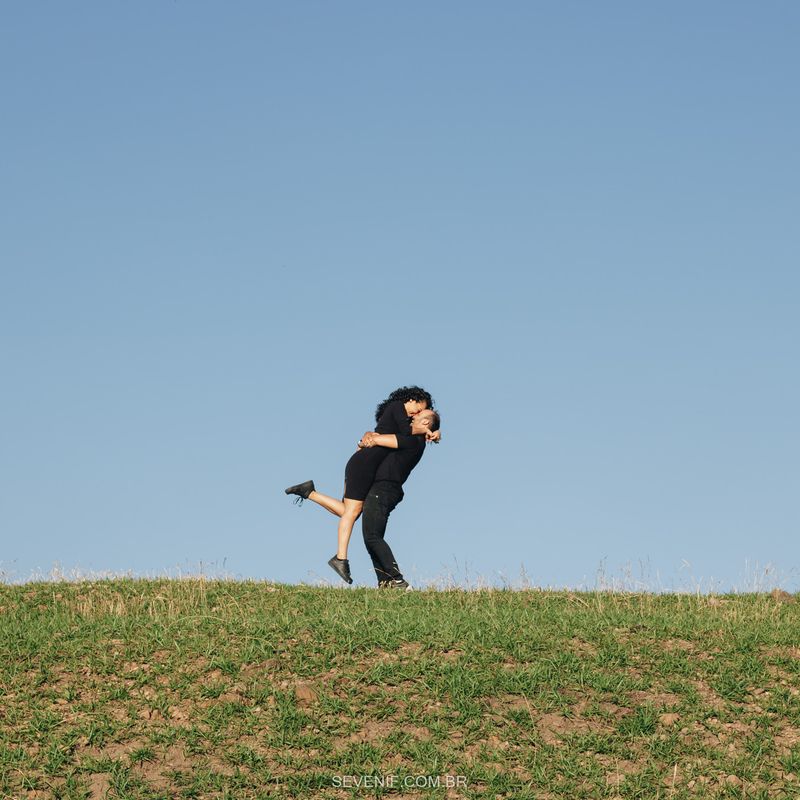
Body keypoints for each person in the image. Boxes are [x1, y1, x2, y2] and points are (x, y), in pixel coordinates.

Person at [285, 386, 438, 583]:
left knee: (348, 511)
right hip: (364, 464)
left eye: (421, 412)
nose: (416, 413)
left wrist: (432, 430)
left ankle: (310, 492)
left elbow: (394, 433)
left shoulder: (401, 422)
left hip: (363, 463)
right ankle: (341, 559)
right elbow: (403, 431)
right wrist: (429, 430)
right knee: (353, 514)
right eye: (418, 407)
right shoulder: (398, 407)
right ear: (410, 399)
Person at [359, 408, 441, 588]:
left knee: (372, 536)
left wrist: (369, 438)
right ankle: (385, 583)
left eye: (418, 414)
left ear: (426, 422)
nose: (412, 415)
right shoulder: (414, 437)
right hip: (385, 488)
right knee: (371, 536)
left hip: (385, 487)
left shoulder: (413, 439)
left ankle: (397, 579)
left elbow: (378, 439)